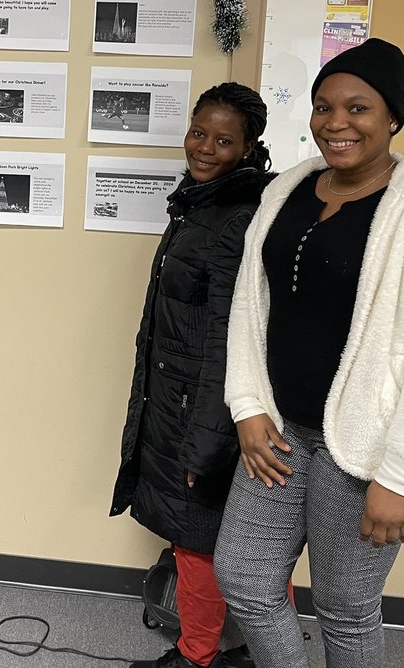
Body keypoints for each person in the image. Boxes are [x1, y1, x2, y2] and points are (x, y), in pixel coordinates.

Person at [214, 39, 404, 668]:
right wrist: (248, 405)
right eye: (322, 106)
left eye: (357, 107)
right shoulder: (288, 190)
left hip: (367, 445)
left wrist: (401, 473)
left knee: (344, 607)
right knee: (247, 582)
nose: (336, 123)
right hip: (280, 433)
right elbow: (251, 306)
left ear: (392, 116)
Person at [112, 83, 276, 668]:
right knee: (219, 540)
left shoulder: (237, 217)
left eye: (223, 140)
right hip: (179, 398)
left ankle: (200, 655)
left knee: (200, 539)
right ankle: (252, 652)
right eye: (198, 132)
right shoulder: (202, 201)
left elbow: (231, 341)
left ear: (249, 146)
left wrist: (206, 440)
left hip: (201, 410)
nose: (204, 148)